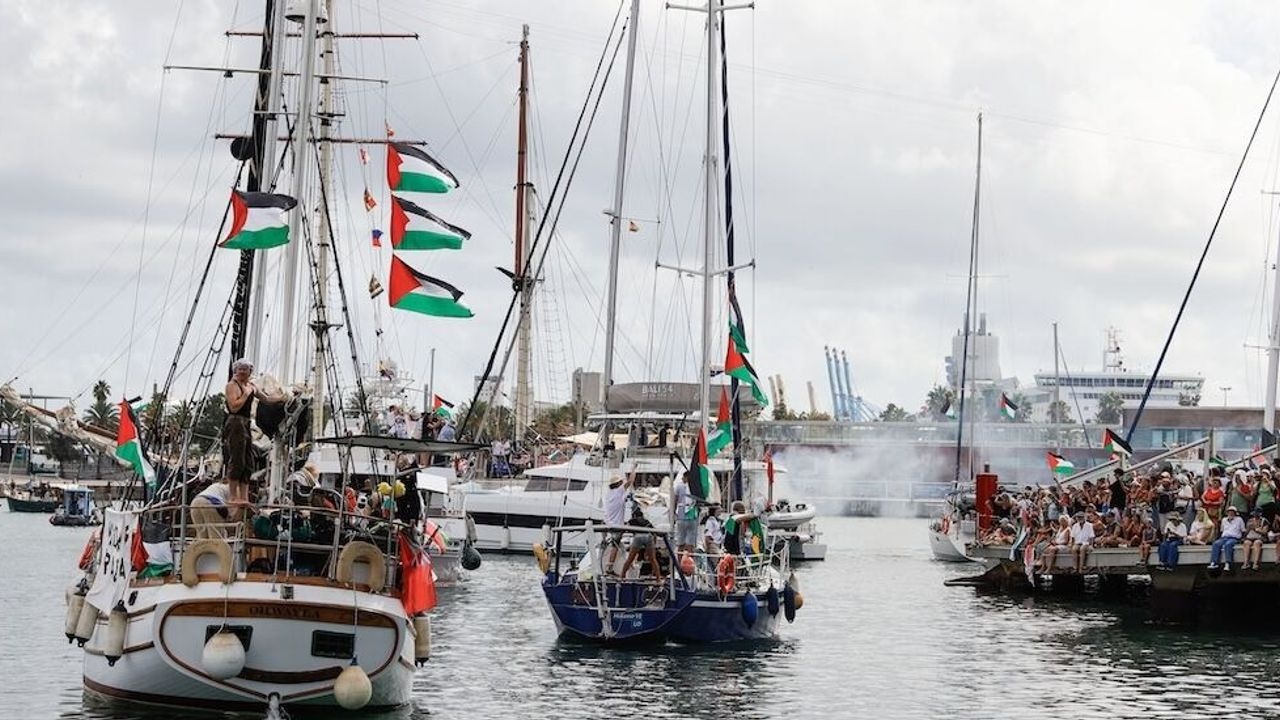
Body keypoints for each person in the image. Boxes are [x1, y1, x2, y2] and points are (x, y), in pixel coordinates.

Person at [224, 358, 277, 515]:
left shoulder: (251, 386)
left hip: (246, 422)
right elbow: (234, 407)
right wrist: (246, 394)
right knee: (237, 458)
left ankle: (244, 496)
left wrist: (282, 399)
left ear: (250, 372)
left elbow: (266, 398)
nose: (242, 372)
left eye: (245, 369)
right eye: (239, 369)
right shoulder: (232, 386)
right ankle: (233, 496)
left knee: (248, 461)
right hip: (235, 422)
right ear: (235, 370)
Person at [603, 469, 634, 573]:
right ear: (618, 484)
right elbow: (630, 481)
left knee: (615, 544)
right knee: (615, 546)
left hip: (609, 523)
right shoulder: (619, 491)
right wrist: (634, 469)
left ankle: (615, 564)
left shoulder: (609, 493)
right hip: (617, 525)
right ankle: (610, 567)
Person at [620, 505, 662, 581]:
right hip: (648, 537)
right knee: (653, 559)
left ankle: (622, 576)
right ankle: (658, 578)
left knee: (630, 559)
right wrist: (654, 546)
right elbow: (654, 533)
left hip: (638, 537)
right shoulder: (646, 521)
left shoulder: (632, 521)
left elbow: (625, 528)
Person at [1208, 505, 1245, 571]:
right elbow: (1222, 530)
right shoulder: (1224, 520)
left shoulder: (1239, 519)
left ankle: (1228, 563)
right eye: (1229, 512)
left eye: (1232, 512)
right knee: (1216, 544)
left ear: (1235, 513)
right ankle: (1214, 562)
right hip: (1224, 537)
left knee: (1228, 544)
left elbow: (1243, 530)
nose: (1231, 513)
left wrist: (1242, 538)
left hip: (1234, 538)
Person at [672, 479, 698, 554]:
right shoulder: (695, 486)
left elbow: (675, 500)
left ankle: (680, 560)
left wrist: (673, 513)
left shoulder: (679, 486)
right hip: (692, 515)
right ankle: (689, 559)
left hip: (681, 515)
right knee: (690, 543)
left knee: (680, 541)